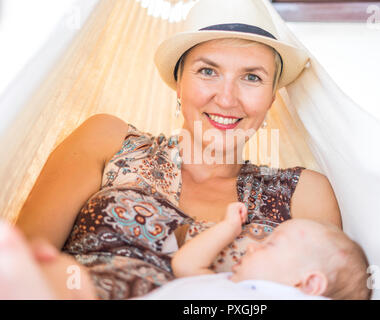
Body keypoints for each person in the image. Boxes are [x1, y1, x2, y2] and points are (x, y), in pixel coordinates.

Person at [11, 0, 343, 299]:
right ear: (178, 85)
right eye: (208, 71)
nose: (226, 98)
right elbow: (24, 258)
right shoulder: (106, 139)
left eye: (252, 77)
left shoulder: (303, 192)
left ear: (271, 98)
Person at [142, 202, 370, 300]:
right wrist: (228, 227)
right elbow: (185, 265)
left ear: (308, 285)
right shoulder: (231, 283)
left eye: (269, 244)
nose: (250, 246)